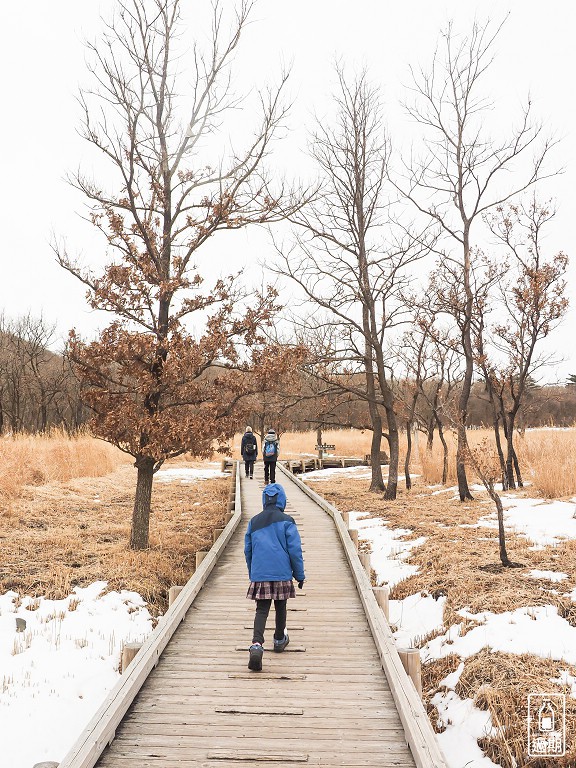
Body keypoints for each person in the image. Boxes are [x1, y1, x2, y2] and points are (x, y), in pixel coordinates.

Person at [244, 483, 305, 672]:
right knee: (281, 606)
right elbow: (295, 551)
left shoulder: (254, 522)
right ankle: (279, 639)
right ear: (282, 499)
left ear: (265, 500)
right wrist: (299, 575)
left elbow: (248, 550)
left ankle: (256, 644)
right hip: (281, 573)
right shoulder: (287, 521)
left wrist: (253, 572)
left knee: (261, 609)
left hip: (260, 573)